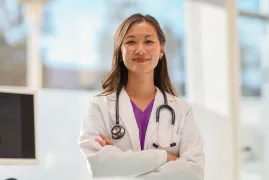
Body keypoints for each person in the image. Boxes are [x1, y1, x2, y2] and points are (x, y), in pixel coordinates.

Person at [78, 13, 204, 180]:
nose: (140, 49)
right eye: (131, 41)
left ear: (161, 51)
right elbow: (99, 166)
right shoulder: (99, 106)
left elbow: (193, 173)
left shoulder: (182, 110)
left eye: (148, 41)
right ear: (119, 51)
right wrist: (164, 157)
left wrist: (121, 164)